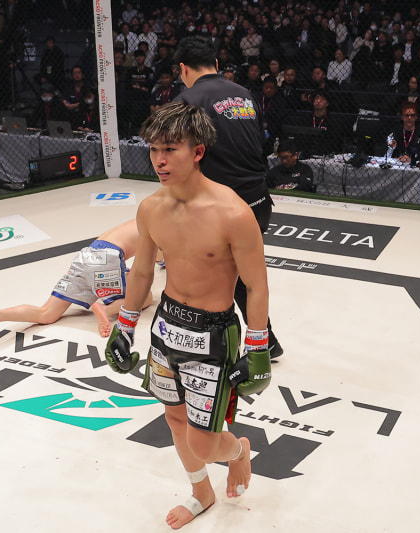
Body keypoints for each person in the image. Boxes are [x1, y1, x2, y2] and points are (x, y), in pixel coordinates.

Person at [104, 101, 271, 530]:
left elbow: (256, 285)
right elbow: (143, 271)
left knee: (205, 443)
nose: (159, 160)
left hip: (213, 335)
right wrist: (125, 326)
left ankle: (239, 451)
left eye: (170, 149)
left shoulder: (233, 213)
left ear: (197, 152)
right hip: (166, 326)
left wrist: (257, 348)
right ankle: (202, 493)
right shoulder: (151, 208)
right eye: (154, 149)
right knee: (174, 417)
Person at [172, 35, 282, 357]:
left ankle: (213, 343)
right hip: (258, 200)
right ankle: (264, 341)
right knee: (245, 277)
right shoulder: (245, 94)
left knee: (212, 277)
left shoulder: (187, 100)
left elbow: (178, 159)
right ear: (216, 64)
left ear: (183, 68)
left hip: (220, 206)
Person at [0, 219, 151, 341]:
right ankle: (106, 309)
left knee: (46, 313)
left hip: (85, 256)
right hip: (107, 258)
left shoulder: (139, 220)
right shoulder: (157, 226)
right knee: (146, 296)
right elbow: (146, 265)